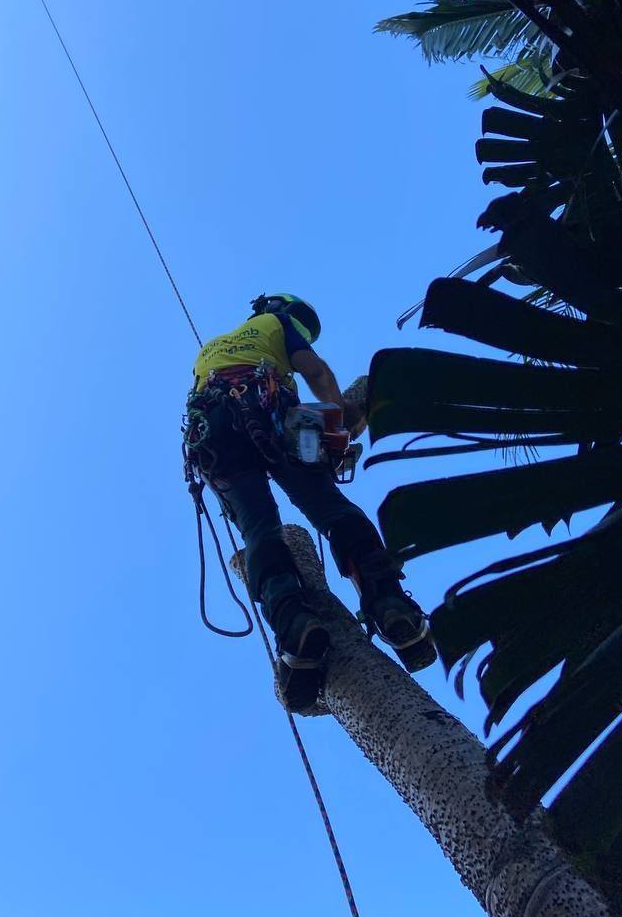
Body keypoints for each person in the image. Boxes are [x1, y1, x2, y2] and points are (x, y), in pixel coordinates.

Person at [184, 293, 435, 709]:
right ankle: (390, 604)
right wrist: (340, 414)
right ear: (288, 314)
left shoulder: (207, 351)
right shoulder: (277, 325)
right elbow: (313, 370)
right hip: (276, 412)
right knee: (332, 510)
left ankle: (294, 624)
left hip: (212, 428)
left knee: (258, 528)